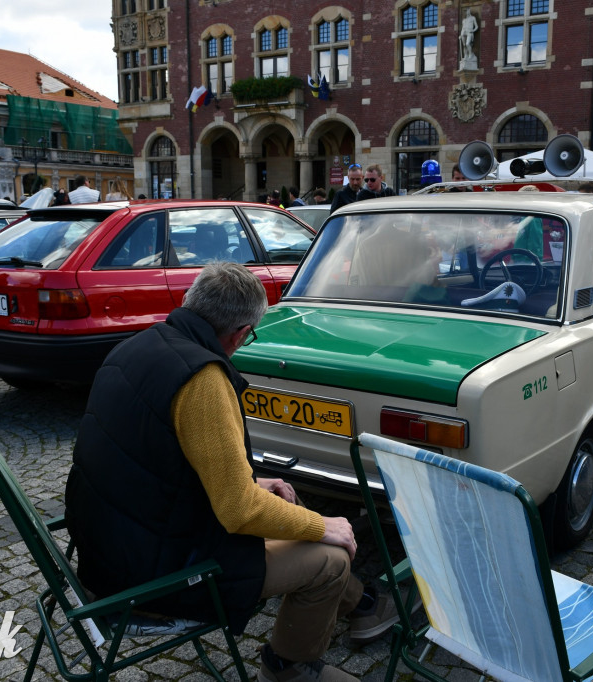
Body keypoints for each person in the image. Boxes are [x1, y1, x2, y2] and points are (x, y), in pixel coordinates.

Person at [64, 263, 399, 682]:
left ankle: (363, 604)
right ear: (240, 333)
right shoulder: (201, 379)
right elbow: (238, 511)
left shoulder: (140, 345)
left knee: (282, 502)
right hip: (152, 575)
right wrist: (322, 525)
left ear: (191, 302)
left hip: (113, 545)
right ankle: (288, 667)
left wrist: (258, 485)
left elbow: (157, 461)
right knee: (328, 556)